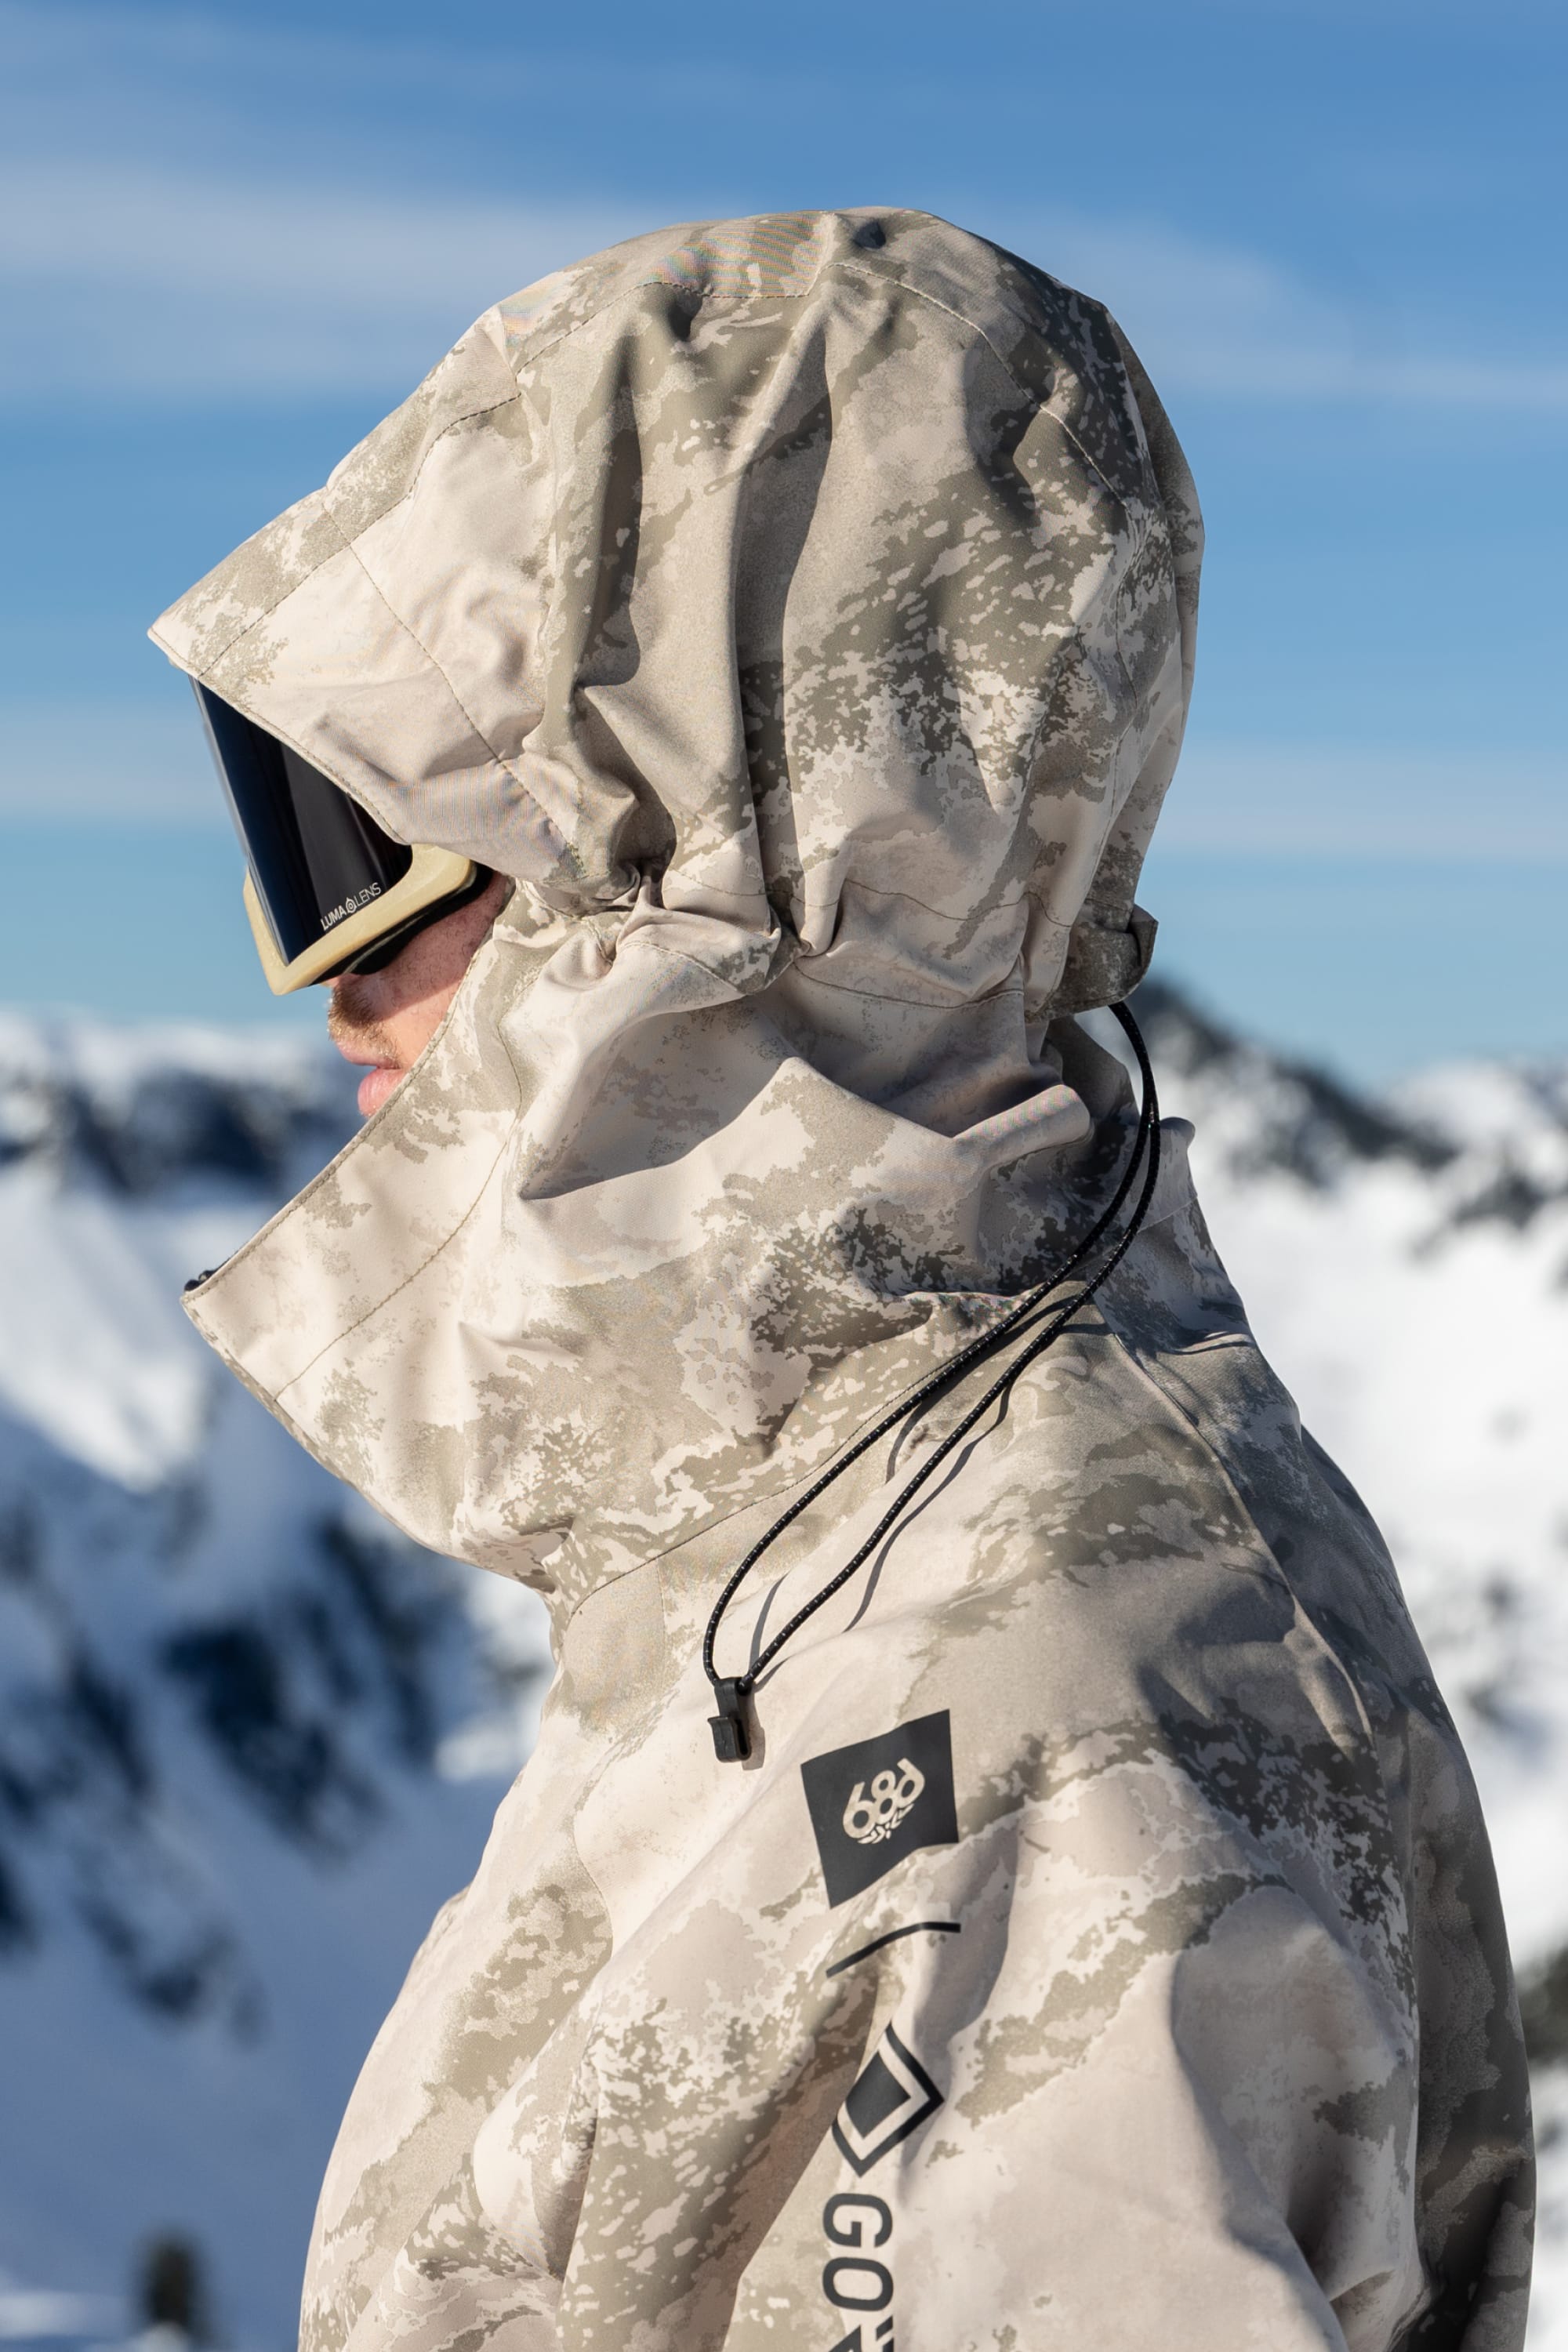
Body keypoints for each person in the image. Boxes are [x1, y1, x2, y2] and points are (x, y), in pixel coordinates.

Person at [152, 210, 1532, 2351]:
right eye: (287, 834)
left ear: (718, 854)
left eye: (372, 847)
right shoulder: (826, 1543)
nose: (324, 981)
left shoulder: (1038, 1748)